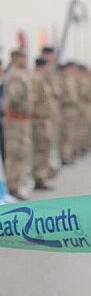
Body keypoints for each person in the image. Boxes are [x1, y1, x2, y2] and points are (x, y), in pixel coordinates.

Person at [3, 50, 33, 200]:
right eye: (23, 57)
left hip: (22, 120)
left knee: (21, 153)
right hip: (15, 121)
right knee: (14, 154)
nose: (25, 60)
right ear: (16, 58)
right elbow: (14, 97)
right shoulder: (15, 75)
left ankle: (16, 184)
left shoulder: (21, 74)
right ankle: (12, 186)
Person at [30, 57, 57, 189]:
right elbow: (33, 100)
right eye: (47, 66)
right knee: (40, 149)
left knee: (45, 147)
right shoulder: (36, 79)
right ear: (43, 66)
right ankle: (39, 178)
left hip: (45, 119)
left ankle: (43, 174)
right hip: (39, 120)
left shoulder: (43, 79)